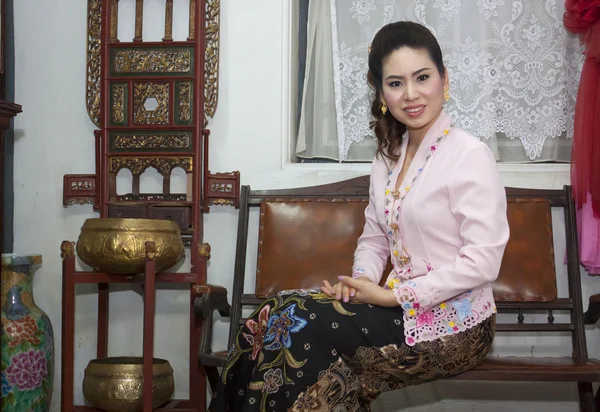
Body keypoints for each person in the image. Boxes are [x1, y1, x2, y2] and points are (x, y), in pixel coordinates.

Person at [208, 21, 509, 412]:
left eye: (422, 77)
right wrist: (362, 282)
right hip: (395, 309)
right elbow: (375, 237)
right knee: (275, 312)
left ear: (444, 78)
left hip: (457, 326)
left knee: (300, 326)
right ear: (382, 91)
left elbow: (484, 261)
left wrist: (394, 294)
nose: (412, 94)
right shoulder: (388, 156)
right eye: (396, 83)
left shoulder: (469, 155)